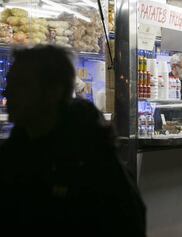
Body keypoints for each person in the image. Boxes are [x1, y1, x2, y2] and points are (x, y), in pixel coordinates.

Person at [0, 45, 146, 236]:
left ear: (54, 92)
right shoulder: (15, 152)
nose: (7, 95)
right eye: (9, 84)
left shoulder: (93, 161)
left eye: (21, 86)